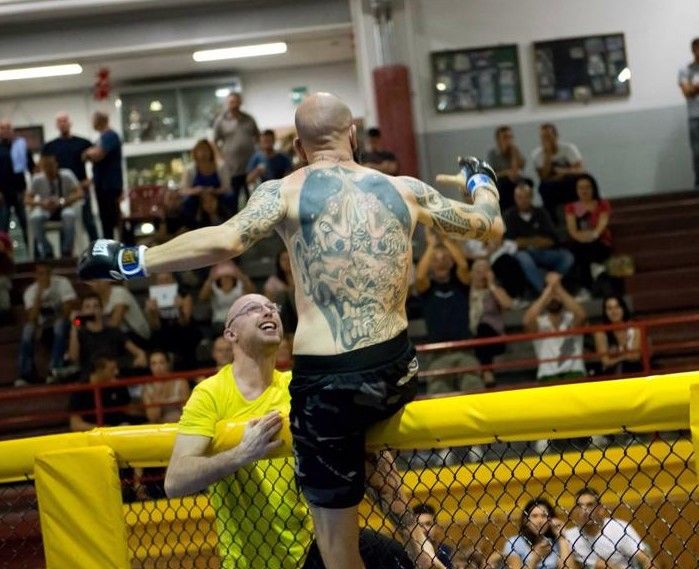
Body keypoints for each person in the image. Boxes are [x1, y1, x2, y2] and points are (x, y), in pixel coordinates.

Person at [78, 91, 503, 569]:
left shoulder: (283, 191)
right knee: (367, 447)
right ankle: (418, 546)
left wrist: (132, 259)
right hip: (396, 370)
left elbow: (226, 240)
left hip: (328, 386)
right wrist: (482, 181)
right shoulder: (405, 189)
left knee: (338, 551)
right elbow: (486, 224)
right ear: (353, 135)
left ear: (299, 147)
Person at [165, 293, 435, 569]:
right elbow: (175, 481)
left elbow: (368, 455)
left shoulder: (297, 387)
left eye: (272, 307)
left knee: (395, 558)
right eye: (253, 308)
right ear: (230, 334)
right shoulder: (210, 394)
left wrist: (412, 535)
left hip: (311, 548)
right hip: (249, 561)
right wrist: (241, 454)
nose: (268, 312)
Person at [415, 230, 482, 393]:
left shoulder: (460, 285)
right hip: (438, 355)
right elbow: (420, 277)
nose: (440, 263)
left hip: (465, 352)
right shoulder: (428, 289)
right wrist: (431, 245)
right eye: (436, 260)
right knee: (438, 396)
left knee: (475, 391)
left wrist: (446, 241)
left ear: (451, 262)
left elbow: (463, 266)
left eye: (445, 258)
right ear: (431, 264)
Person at [504, 181, 575, 296]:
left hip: (543, 251)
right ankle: (544, 291)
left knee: (567, 257)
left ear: (531, 197)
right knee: (524, 259)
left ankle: (554, 283)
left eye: (526, 197)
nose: (523, 201)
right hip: (521, 253)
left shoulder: (541, 213)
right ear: (515, 198)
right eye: (520, 197)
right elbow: (512, 242)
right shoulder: (509, 215)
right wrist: (536, 240)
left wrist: (526, 241)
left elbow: (551, 239)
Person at [563, 488, 657, 569]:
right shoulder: (570, 536)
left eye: (590, 505)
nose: (584, 511)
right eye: (579, 506)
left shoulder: (619, 528)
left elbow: (645, 559)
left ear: (601, 509)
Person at [18, 262, 77, 385]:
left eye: (46, 273)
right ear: (35, 275)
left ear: (51, 273)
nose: (43, 276)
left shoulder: (62, 283)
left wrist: (55, 319)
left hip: (63, 323)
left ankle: (54, 368)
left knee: (59, 324)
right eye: (40, 274)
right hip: (42, 326)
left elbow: (68, 309)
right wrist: (39, 295)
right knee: (28, 330)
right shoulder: (31, 291)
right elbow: (31, 317)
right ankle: (25, 373)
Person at [43, 112, 99, 241]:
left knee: (88, 221)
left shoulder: (83, 143)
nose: (63, 124)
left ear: (70, 123)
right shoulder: (50, 147)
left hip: (80, 188)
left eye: (65, 120)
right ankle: (66, 251)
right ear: (57, 125)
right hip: (59, 191)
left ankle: (96, 247)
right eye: (60, 121)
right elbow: (43, 167)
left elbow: (99, 162)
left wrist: (91, 179)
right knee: (64, 221)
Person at [68, 292, 147, 381]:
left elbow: (137, 351)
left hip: (113, 377)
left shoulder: (113, 331)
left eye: (96, 306)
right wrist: (74, 326)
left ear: (101, 310)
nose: (92, 310)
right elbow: (73, 357)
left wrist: (141, 356)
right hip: (90, 379)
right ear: (82, 312)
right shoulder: (80, 334)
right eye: (87, 307)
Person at [523, 273, 587, 382]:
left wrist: (558, 288)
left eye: (556, 294)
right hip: (547, 377)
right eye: (550, 294)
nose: (553, 298)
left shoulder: (572, 318)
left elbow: (582, 316)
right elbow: (526, 321)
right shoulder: (539, 322)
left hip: (575, 374)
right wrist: (549, 289)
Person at [25, 152, 83, 259]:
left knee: (69, 216)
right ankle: (47, 250)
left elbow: (80, 193)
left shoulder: (66, 175)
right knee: (34, 218)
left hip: (64, 207)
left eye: (51, 166)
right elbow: (27, 199)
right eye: (46, 167)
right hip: (45, 209)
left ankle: (66, 251)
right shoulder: (37, 179)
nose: (49, 169)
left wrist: (64, 201)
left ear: (56, 164)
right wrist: (41, 203)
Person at [68, 356, 146, 431]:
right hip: (98, 432)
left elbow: (128, 409)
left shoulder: (117, 383)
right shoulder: (80, 390)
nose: (116, 372)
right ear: (99, 370)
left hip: (122, 425)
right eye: (112, 369)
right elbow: (76, 425)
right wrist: (107, 429)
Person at [564, 175, 612, 294]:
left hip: (600, 240)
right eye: (580, 188)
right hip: (580, 241)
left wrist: (593, 235)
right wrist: (583, 238)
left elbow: (602, 224)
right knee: (580, 251)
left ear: (593, 188)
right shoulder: (572, 207)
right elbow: (572, 230)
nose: (584, 191)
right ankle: (589, 284)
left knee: (590, 249)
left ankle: (589, 286)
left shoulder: (602, 204)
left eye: (587, 187)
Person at [213, 92, 260, 215]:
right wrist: (220, 158)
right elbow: (215, 141)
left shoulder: (249, 119)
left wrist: (257, 152)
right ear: (227, 103)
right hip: (231, 169)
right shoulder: (220, 121)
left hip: (250, 167)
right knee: (233, 201)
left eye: (236, 102)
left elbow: (257, 136)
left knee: (253, 199)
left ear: (240, 103)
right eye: (231, 102)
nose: (234, 104)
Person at [469, 258, 512, 387]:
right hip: (472, 339)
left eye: (485, 272)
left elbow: (508, 304)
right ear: (472, 274)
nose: (481, 275)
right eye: (478, 272)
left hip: (495, 338)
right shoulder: (467, 292)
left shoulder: (496, 291)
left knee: (483, 327)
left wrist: (492, 285)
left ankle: (487, 372)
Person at [503, 497, 574, 569]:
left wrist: (562, 538)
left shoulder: (557, 543)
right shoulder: (514, 543)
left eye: (544, 516)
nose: (540, 521)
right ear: (526, 521)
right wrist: (535, 558)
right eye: (534, 516)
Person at [83, 111, 123, 239]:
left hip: (110, 185)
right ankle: (109, 242)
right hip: (101, 184)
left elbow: (98, 155)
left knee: (112, 218)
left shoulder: (110, 136)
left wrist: (88, 153)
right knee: (105, 219)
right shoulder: (100, 138)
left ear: (99, 121)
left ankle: (118, 243)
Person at [531, 123, 584, 221]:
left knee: (577, 183)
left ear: (556, 136)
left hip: (569, 180)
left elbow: (580, 170)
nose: (546, 140)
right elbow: (543, 176)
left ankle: (580, 216)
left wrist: (564, 172)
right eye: (543, 137)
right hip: (551, 183)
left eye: (548, 136)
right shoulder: (537, 154)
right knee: (544, 188)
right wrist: (547, 155)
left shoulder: (569, 149)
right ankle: (552, 221)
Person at [179, 139, 230, 225]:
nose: (203, 153)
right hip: (197, 197)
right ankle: (190, 225)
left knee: (229, 197)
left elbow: (227, 187)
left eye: (206, 150)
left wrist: (214, 191)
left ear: (211, 151)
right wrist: (196, 190)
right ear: (195, 153)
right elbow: (183, 190)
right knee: (187, 201)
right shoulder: (190, 169)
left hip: (217, 195)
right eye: (200, 150)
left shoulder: (221, 167)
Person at [198, 260, 255, 337]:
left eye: (228, 276)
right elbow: (202, 297)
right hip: (219, 322)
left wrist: (239, 274)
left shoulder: (240, 284)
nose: (226, 278)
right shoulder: (213, 286)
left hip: (238, 320)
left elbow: (252, 293)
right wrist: (211, 277)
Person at [0, 118, 33, 244]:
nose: (5, 130)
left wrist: (31, 191)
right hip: (3, 195)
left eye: (8, 127)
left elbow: (31, 168)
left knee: (26, 225)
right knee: (3, 228)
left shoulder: (21, 146)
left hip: (20, 192)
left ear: (12, 130)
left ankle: (33, 252)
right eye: (2, 128)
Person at [89, 280, 151, 347]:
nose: (95, 284)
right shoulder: (95, 299)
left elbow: (115, 324)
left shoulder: (119, 292)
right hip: (117, 338)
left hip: (136, 336)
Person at [594, 295, 642, 376]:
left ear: (623, 308)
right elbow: (606, 362)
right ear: (605, 312)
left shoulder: (635, 327)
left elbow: (636, 357)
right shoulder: (600, 332)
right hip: (612, 374)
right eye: (609, 308)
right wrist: (625, 356)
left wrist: (617, 357)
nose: (614, 312)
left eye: (617, 307)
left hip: (635, 371)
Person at [143, 350, 190, 423]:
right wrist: (158, 396)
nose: (158, 367)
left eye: (161, 363)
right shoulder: (148, 388)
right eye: (153, 364)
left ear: (168, 364)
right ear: (150, 367)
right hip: (159, 427)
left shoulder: (180, 382)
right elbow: (152, 418)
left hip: (180, 424)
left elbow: (187, 412)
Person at [487, 125, 525, 211]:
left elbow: (516, 171)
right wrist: (507, 172)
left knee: (526, 184)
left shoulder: (515, 151)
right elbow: (492, 173)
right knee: (504, 185)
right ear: (498, 140)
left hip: (515, 180)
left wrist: (513, 154)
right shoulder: (493, 154)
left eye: (510, 137)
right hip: (501, 181)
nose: (508, 140)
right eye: (505, 137)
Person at [679, 38, 699, 189]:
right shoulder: (685, 71)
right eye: (697, 49)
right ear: (692, 50)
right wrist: (692, 88)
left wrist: (694, 87)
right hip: (695, 117)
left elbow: (692, 89)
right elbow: (687, 92)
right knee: (697, 152)